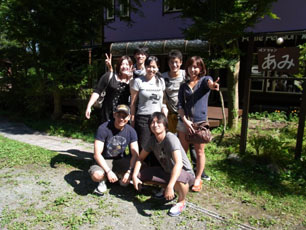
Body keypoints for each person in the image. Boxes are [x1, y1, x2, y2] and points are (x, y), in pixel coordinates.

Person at [132, 112, 195, 217]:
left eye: (158, 122)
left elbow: (179, 164)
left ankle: (181, 201)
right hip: (168, 172)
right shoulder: (152, 140)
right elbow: (140, 158)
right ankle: (167, 188)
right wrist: (134, 176)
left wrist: (170, 186)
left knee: (179, 177)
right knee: (140, 175)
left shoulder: (171, 138)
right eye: (152, 122)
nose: (155, 125)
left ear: (165, 125)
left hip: (184, 174)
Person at [177, 56, 219, 192]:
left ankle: (198, 178)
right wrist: (185, 120)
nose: (193, 69)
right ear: (187, 68)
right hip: (185, 122)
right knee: (183, 151)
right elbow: (180, 106)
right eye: (190, 66)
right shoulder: (183, 86)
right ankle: (184, 174)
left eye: (196, 66)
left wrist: (213, 86)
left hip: (200, 122)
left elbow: (210, 83)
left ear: (201, 68)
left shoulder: (204, 81)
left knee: (200, 151)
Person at [88, 104, 139, 195]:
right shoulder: (103, 128)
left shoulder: (131, 131)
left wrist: (129, 171)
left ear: (129, 117)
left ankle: (118, 175)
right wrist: (108, 171)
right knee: (97, 175)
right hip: (104, 159)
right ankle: (103, 180)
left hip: (120, 160)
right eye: (119, 115)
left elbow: (135, 154)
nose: (121, 119)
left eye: (124, 116)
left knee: (125, 183)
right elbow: (97, 154)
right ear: (114, 115)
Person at [130, 56, 168, 153]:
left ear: (158, 67)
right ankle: (142, 167)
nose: (151, 69)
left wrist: (164, 111)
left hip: (157, 118)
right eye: (149, 66)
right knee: (144, 146)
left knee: (158, 145)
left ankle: (155, 167)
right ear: (145, 67)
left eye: (154, 67)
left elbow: (162, 101)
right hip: (143, 118)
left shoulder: (161, 81)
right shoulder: (138, 81)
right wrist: (132, 118)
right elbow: (133, 103)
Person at [85, 55, 133, 123]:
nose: (124, 66)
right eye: (122, 64)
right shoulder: (109, 76)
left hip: (123, 116)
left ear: (131, 66)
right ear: (118, 66)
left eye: (127, 64)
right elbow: (97, 91)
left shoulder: (132, 81)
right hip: (107, 115)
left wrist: (131, 78)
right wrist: (89, 106)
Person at [162, 50, 186, 133]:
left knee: (186, 140)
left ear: (181, 62)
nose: (174, 65)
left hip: (185, 114)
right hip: (171, 114)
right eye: (171, 62)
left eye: (176, 62)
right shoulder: (163, 77)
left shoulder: (186, 75)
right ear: (168, 63)